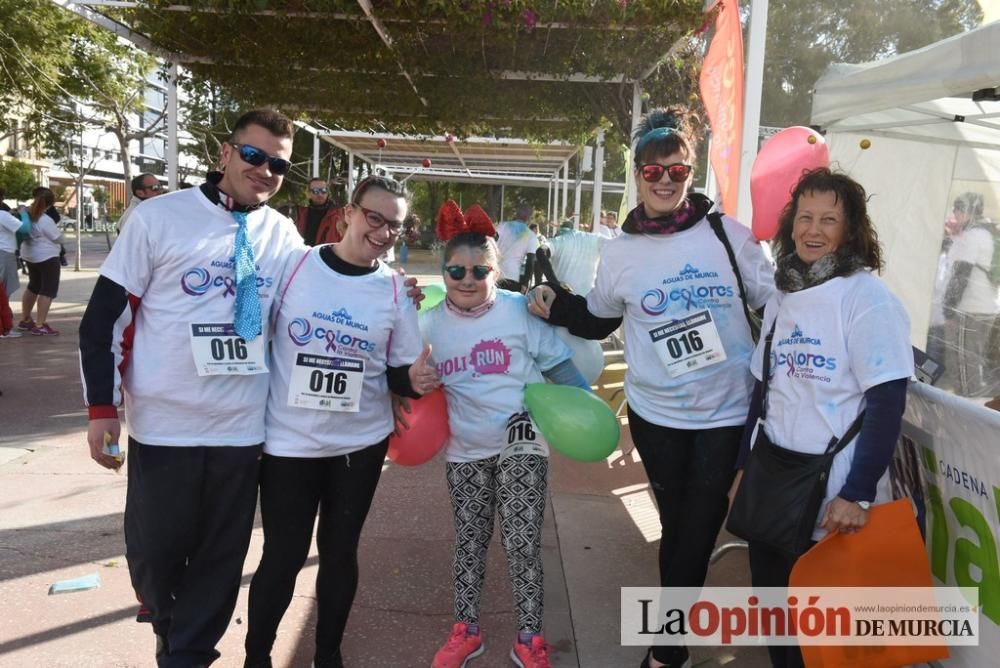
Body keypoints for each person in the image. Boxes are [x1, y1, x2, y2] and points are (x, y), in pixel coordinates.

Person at [527, 107, 774, 668]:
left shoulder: (727, 236)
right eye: (652, 171)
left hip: (724, 412)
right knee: (677, 525)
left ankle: (665, 649)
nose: (664, 181)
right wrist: (552, 306)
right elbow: (599, 319)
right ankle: (674, 636)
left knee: (699, 522)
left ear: (691, 175)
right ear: (636, 176)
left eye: (677, 171)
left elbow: (774, 304)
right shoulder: (621, 252)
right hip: (655, 414)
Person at [78, 109, 310, 668]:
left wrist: (382, 287)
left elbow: (315, 302)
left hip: (242, 427)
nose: (265, 170)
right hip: (165, 426)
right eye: (254, 156)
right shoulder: (160, 218)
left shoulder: (280, 232)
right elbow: (103, 318)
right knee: (155, 552)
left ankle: (189, 652)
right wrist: (101, 409)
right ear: (224, 154)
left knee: (221, 557)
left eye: (278, 163)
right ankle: (166, 621)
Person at [244, 175, 438, 668]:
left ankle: (327, 654)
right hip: (289, 441)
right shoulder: (295, 265)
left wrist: (414, 379)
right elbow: (251, 326)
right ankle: (257, 656)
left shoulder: (393, 289)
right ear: (349, 212)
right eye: (374, 217)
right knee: (283, 555)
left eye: (394, 225)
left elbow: (399, 371)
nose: (382, 231)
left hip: (359, 443)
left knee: (339, 551)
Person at [735, 168, 912, 668]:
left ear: (850, 231)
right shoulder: (783, 294)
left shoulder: (868, 299)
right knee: (777, 620)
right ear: (790, 226)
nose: (814, 230)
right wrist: (743, 468)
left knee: (830, 642)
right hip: (775, 482)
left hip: (834, 498)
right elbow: (763, 389)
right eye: (805, 217)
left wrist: (856, 493)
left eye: (829, 220)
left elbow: (886, 404)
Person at [423, 200, 588, 668]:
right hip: (465, 449)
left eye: (480, 270)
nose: (469, 280)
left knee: (522, 542)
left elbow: (560, 367)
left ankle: (529, 639)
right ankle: (466, 631)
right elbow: (408, 382)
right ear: (445, 273)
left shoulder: (519, 311)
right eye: (457, 272)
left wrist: (585, 411)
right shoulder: (429, 325)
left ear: (497, 271)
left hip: (521, 440)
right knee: (469, 540)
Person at [939, 192, 999, 397]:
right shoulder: (986, 233)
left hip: (969, 309)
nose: (955, 213)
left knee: (964, 363)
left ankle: (967, 408)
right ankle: (971, 402)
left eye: (959, 209)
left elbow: (961, 275)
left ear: (969, 211)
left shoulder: (973, 236)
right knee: (973, 361)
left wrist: (948, 310)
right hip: (984, 307)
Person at [18, 187, 63, 336]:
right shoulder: (45, 220)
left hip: (30, 255)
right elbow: (57, 238)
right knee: (48, 290)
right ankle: (40, 324)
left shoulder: (26, 214)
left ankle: (25, 320)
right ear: (50, 204)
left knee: (33, 286)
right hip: (47, 257)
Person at [496, 202, 538, 290]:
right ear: (529, 217)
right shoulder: (530, 235)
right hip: (513, 277)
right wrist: (525, 283)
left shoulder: (502, 226)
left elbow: (491, 243)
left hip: (496, 274)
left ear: (516, 214)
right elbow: (530, 261)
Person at [295, 177, 346, 246]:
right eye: (316, 191)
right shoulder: (300, 214)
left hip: (328, 255)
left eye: (323, 190)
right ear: (309, 194)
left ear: (327, 193)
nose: (320, 194)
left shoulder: (339, 214)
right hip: (304, 254)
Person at [0, 208, 23, 337]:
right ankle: (4, 328)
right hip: (4, 252)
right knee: (3, 293)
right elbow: (23, 228)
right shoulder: (2, 215)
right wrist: (24, 213)